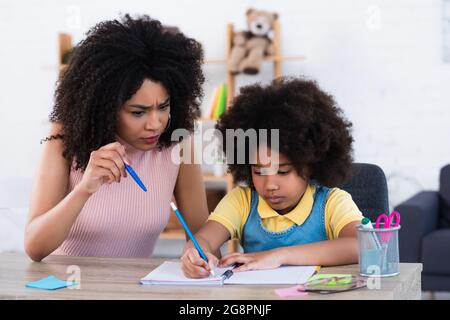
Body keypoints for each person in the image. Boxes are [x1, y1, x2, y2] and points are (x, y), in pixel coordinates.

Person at [25, 14, 210, 261]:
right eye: (138, 112)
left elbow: (204, 240)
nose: (155, 124)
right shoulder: (65, 140)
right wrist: (84, 190)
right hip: (67, 291)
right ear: (105, 106)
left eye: (163, 107)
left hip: (134, 291)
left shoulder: (179, 144)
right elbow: (35, 248)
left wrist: (200, 255)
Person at [181, 77, 363, 278]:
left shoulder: (332, 203)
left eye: (283, 171)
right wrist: (194, 253)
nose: (270, 185)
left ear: (310, 165)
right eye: (258, 171)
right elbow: (203, 240)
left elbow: (360, 245)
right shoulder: (242, 202)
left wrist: (278, 256)